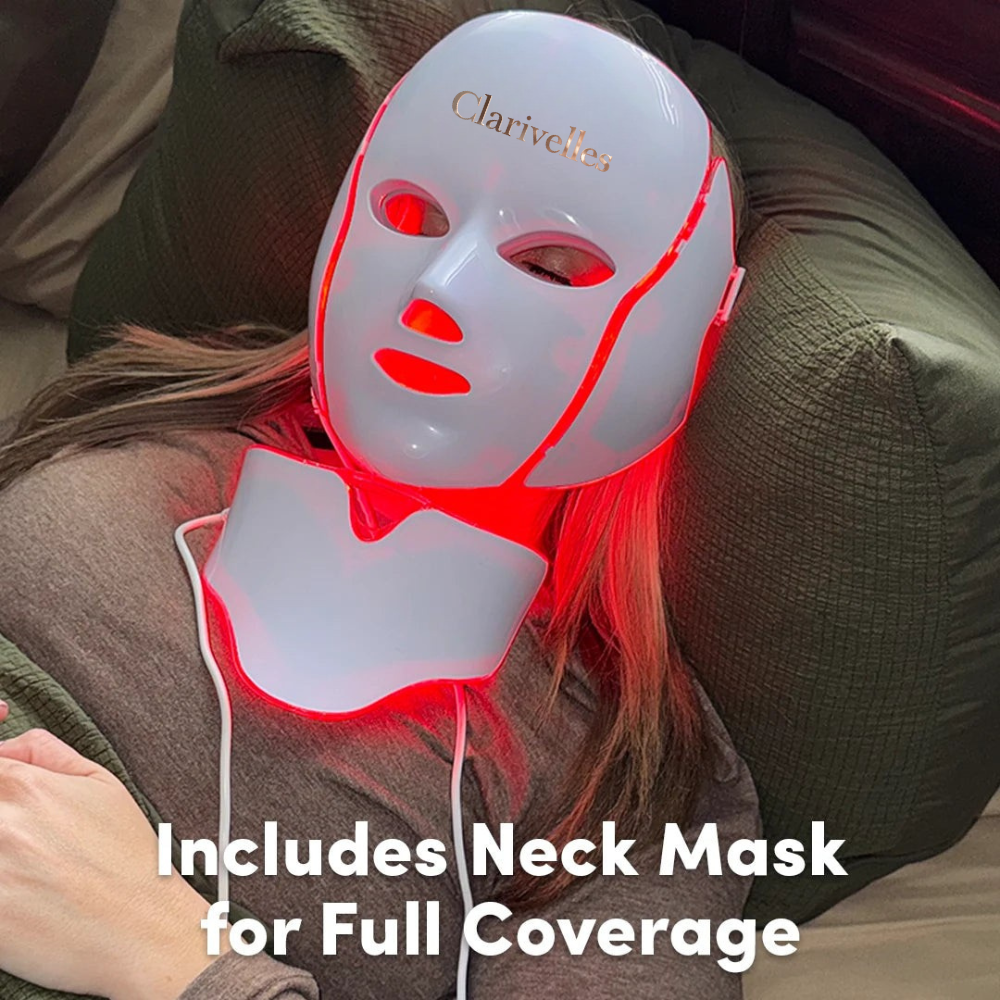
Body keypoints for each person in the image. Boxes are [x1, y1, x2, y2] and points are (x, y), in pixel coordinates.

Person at [0, 9, 758, 1000]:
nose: (437, 288)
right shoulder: (146, 397)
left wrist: (175, 957)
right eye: (414, 215)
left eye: (547, 265)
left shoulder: (635, 788)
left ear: (692, 326)